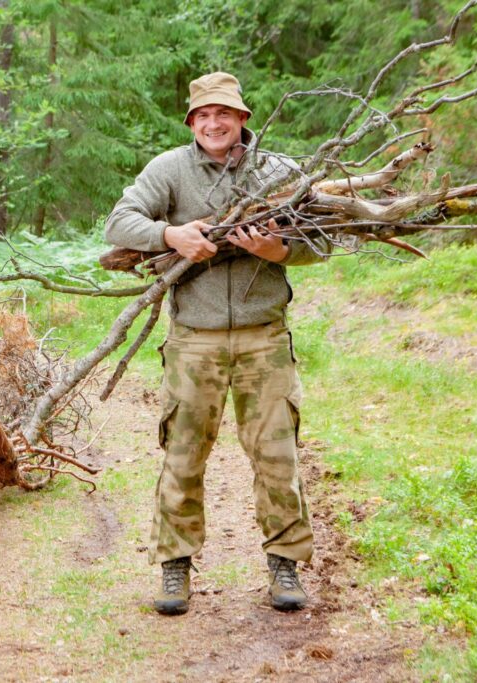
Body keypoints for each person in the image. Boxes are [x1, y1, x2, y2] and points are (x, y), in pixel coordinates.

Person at [104, 72, 326, 615]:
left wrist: (279, 252)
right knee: (182, 457)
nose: (213, 123)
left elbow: (321, 240)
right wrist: (169, 235)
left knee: (277, 458)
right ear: (191, 122)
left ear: (243, 118)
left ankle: (285, 567)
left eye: (223, 113)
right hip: (193, 342)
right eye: (203, 115)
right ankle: (174, 569)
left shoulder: (279, 172)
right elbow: (119, 221)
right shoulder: (170, 170)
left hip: (264, 339)